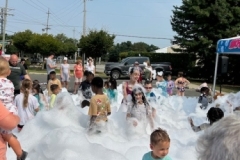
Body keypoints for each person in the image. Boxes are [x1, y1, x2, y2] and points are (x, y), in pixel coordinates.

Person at [0, 56, 28, 160]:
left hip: (3, 115)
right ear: (8, 72)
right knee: (8, 136)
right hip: (10, 112)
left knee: (7, 136)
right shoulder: (10, 83)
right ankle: (20, 154)